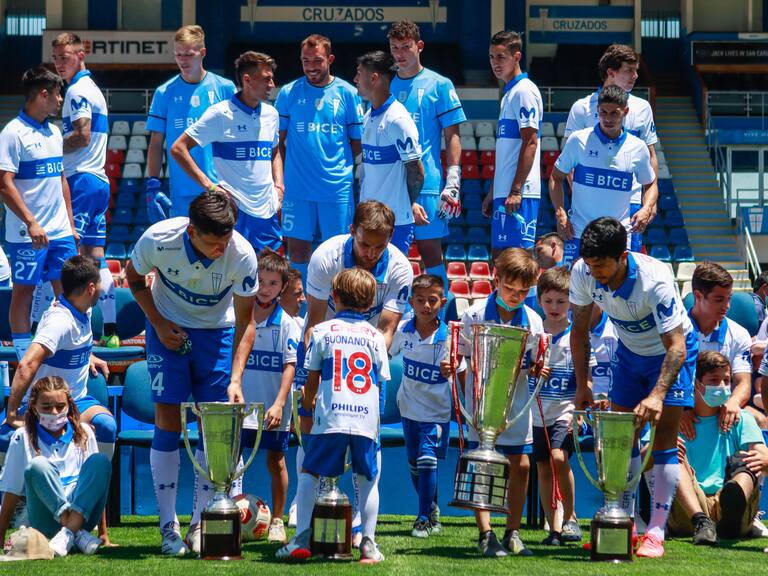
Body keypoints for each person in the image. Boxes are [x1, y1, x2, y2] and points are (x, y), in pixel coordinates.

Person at [124, 190, 258, 556]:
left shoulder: (243, 254)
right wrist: (158, 323)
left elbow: (247, 323)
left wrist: (235, 378)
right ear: (191, 231)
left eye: (226, 239)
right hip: (165, 327)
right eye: (214, 241)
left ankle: (202, 523)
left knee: (213, 430)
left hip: (217, 335)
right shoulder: (158, 239)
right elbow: (134, 279)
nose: (221, 248)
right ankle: (168, 528)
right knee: (167, 419)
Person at [569, 216, 697, 558]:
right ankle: (622, 523)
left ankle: (656, 531)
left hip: (670, 354)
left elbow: (677, 347)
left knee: (664, 440)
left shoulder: (655, 281)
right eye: (590, 264)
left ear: (623, 255)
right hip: (629, 352)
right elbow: (579, 332)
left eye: (602, 265)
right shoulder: (582, 272)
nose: (595, 272)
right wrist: (583, 385)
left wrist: (657, 395)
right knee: (620, 437)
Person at [277, 268, 391, 563]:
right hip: (366, 417)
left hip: (331, 416)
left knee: (310, 473)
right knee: (367, 479)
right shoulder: (376, 337)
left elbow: (312, 379)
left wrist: (305, 411)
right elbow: (380, 386)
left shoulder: (322, 331)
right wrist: (376, 421)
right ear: (369, 304)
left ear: (334, 296)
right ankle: (368, 543)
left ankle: (302, 537)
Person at [441, 248, 548, 557]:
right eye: (509, 288)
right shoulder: (473, 313)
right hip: (482, 403)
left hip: (515, 404)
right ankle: (486, 533)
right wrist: (453, 368)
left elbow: (533, 363)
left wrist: (538, 369)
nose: (515, 296)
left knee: (522, 464)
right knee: (483, 464)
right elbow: (458, 355)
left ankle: (513, 532)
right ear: (496, 280)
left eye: (522, 291)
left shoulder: (533, 319)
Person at [0, 66, 77, 363]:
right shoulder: (11, 133)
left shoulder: (55, 132)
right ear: (44, 94)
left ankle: (66, 354)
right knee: (24, 294)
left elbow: (61, 181)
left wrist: (70, 226)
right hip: (26, 235)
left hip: (59, 233)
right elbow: (4, 185)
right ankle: (24, 359)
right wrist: (31, 222)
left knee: (69, 294)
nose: (60, 101)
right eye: (58, 94)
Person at [172, 51, 283, 252]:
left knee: (269, 277)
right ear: (247, 79)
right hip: (234, 212)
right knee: (232, 276)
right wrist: (210, 186)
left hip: (267, 211)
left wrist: (279, 186)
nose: (272, 85)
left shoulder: (272, 114)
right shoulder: (220, 114)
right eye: (267, 79)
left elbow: (275, 153)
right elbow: (178, 148)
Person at [275, 34, 362, 281]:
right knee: (298, 251)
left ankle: (339, 308)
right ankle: (300, 310)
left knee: (339, 251)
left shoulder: (348, 93)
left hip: (336, 189)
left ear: (330, 59)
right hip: (297, 190)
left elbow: (357, 142)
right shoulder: (288, 92)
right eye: (306, 61)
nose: (311, 67)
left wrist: (335, 166)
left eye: (317, 61)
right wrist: (281, 181)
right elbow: (277, 143)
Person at [51, 32, 117, 348]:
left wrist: (50, 146)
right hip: (99, 181)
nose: (59, 63)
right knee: (97, 258)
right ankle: (112, 331)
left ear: (81, 54)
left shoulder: (78, 90)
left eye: (65, 57)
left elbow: (83, 135)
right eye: (55, 58)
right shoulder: (87, 88)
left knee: (68, 256)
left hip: (80, 180)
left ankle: (77, 333)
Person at [388, 20, 466, 285]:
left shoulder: (440, 84)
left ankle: (441, 316)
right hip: (389, 183)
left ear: (419, 46)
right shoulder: (384, 85)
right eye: (395, 47)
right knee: (390, 252)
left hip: (427, 183)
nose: (400, 53)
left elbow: (452, 134)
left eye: (406, 47)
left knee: (430, 251)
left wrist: (453, 179)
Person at [0, 376, 111, 557]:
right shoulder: (22, 436)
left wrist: (103, 534)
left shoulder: (85, 433)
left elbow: (95, 487)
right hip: (44, 521)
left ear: (69, 404)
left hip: (84, 517)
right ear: (34, 407)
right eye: (46, 407)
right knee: (38, 465)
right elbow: (11, 490)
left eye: (60, 407)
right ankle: (75, 532)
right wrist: (0, 536)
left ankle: (69, 533)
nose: (54, 412)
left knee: (101, 461)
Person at [564, 44, 659, 251]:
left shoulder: (642, 108)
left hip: (630, 204)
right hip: (586, 208)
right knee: (584, 271)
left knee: (622, 269)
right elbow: (568, 162)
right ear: (610, 72)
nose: (635, 76)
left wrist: (649, 203)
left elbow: (651, 156)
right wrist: (581, 197)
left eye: (636, 71)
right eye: (629, 70)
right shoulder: (581, 108)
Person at [667, 351, 768, 543]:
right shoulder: (674, 418)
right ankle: (702, 521)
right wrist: (661, 451)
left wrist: (764, 459)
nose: (722, 387)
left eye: (727, 380)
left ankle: (731, 513)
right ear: (696, 383)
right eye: (714, 380)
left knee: (747, 459)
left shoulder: (742, 419)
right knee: (671, 456)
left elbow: (763, 457)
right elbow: (644, 460)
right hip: (689, 508)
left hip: (729, 498)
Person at [550, 86, 656, 265]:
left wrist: (646, 208)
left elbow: (651, 184)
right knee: (575, 291)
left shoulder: (638, 147)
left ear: (625, 112)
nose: (607, 118)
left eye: (614, 113)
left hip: (618, 238)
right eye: (603, 112)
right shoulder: (578, 140)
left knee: (616, 292)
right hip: (579, 234)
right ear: (597, 110)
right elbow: (556, 177)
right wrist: (560, 212)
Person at [239, 249, 300, 545]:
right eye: (260, 281)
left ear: (283, 287)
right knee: (232, 461)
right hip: (239, 405)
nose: (264, 288)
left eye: (272, 283)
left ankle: (277, 519)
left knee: (276, 460)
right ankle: (229, 515)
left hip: (272, 406)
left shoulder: (287, 323)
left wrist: (278, 403)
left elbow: (290, 366)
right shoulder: (239, 314)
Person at [145, 25, 236, 221]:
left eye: (188, 54)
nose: (182, 60)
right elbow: (156, 142)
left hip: (220, 186)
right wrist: (153, 183)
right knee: (185, 248)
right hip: (182, 189)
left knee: (217, 248)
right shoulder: (164, 92)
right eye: (178, 54)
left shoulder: (225, 88)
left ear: (202, 53)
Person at [533, 267, 593, 546]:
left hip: (566, 409)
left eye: (561, 301)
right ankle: (554, 527)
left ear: (572, 302)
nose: (555, 307)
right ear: (539, 300)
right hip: (535, 412)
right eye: (549, 301)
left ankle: (571, 517)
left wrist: (582, 410)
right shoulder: (533, 333)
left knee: (559, 457)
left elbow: (587, 378)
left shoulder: (578, 336)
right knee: (544, 466)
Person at [388, 274, 449, 538]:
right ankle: (431, 506)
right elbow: (386, 354)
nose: (426, 306)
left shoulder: (450, 336)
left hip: (437, 411)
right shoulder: (403, 329)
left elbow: (459, 370)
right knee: (415, 461)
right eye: (420, 300)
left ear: (442, 302)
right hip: (409, 408)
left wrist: (451, 370)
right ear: (411, 302)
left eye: (432, 301)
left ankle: (423, 517)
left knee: (427, 459)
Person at [355, 50, 425, 256]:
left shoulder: (398, 119)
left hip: (394, 223)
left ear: (374, 78)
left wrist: (408, 203)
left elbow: (417, 172)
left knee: (390, 285)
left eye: (359, 73)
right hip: (367, 220)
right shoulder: (369, 115)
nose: (355, 79)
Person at [482, 31, 542, 257]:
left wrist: (516, 190)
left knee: (516, 264)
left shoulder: (524, 91)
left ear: (516, 57)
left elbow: (531, 142)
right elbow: (507, 153)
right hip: (505, 191)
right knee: (501, 261)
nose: (495, 63)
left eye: (501, 57)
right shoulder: (509, 94)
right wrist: (492, 190)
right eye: (491, 57)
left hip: (519, 193)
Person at [683, 263, 754, 440]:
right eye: (719, 299)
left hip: (722, 413)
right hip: (682, 412)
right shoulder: (673, 331)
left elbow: (743, 383)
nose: (727, 306)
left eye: (729, 298)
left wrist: (734, 402)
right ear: (698, 296)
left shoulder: (738, 334)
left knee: (759, 421)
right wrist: (680, 409)